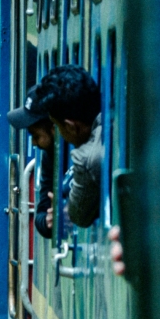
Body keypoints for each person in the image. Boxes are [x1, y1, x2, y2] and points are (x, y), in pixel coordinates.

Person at [34, 64, 102, 228]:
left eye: (57, 126)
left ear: (71, 127)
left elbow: (78, 216)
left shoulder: (86, 158)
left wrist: (64, 208)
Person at [7, 86, 55, 238]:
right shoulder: (49, 156)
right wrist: (48, 221)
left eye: (35, 135)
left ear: (54, 128)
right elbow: (41, 212)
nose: (33, 143)